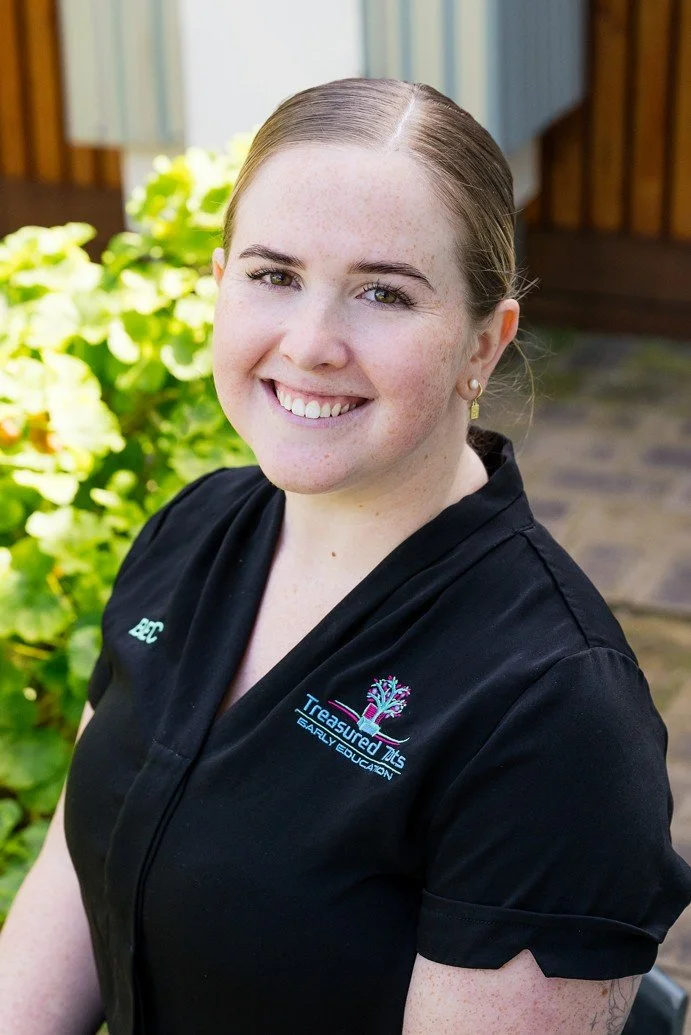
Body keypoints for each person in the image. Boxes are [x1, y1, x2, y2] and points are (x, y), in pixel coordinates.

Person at [1, 77, 690, 1035]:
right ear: (218, 283)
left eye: (383, 292)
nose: (312, 342)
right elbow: (71, 883)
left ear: (481, 347)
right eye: (273, 275)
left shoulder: (554, 713)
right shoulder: (193, 529)